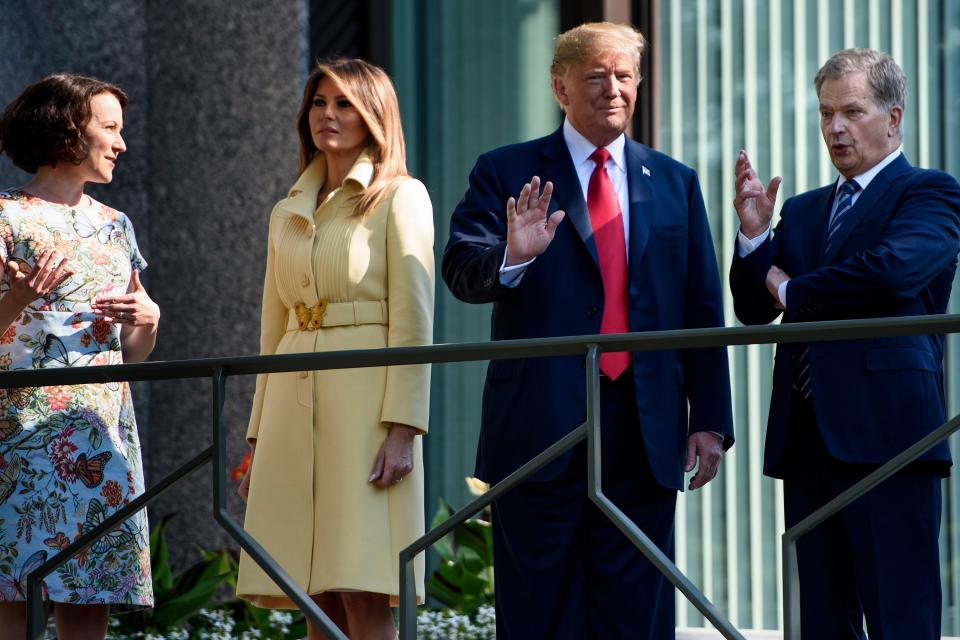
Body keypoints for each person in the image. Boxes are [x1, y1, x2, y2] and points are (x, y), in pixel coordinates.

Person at [442, 22, 733, 640]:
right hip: (541, 427)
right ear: (559, 87)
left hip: (646, 424)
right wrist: (512, 256)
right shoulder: (507, 170)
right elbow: (460, 272)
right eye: (596, 76)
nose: (613, 89)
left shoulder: (675, 181)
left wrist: (709, 417)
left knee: (638, 611)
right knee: (538, 611)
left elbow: (701, 309)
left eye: (624, 76)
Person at [730, 48, 960, 639]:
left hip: (892, 443)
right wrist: (755, 239)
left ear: (894, 117)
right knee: (817, 623)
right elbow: (755, 308)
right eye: (826, 112)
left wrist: (793, 288)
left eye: (852, 111)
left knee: (898, 620)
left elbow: (892, 272)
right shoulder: (804, 211)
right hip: (807, 441)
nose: (835, 127)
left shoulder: (929, 193)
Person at [236, 58, 434, 640]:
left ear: (374, 114)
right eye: (320, 103)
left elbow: (415, 320)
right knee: (310, 589)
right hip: (291, 411)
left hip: (366, 408)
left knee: (363, 585)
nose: (328, 115)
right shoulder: (287, 211)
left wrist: (404, 426)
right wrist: (256, 436)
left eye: (345, 103)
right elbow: (270, 337)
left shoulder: (401, 196)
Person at [0, 73, 159, 639]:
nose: (121, 143)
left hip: (103, 426)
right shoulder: (7, 217)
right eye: (109, 127)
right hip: (22, 427)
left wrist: (150, 322)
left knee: (91, 589)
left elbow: (131, 353)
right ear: (67, 129)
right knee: (13, 592)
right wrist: (17, 300)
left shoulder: (116, 226)